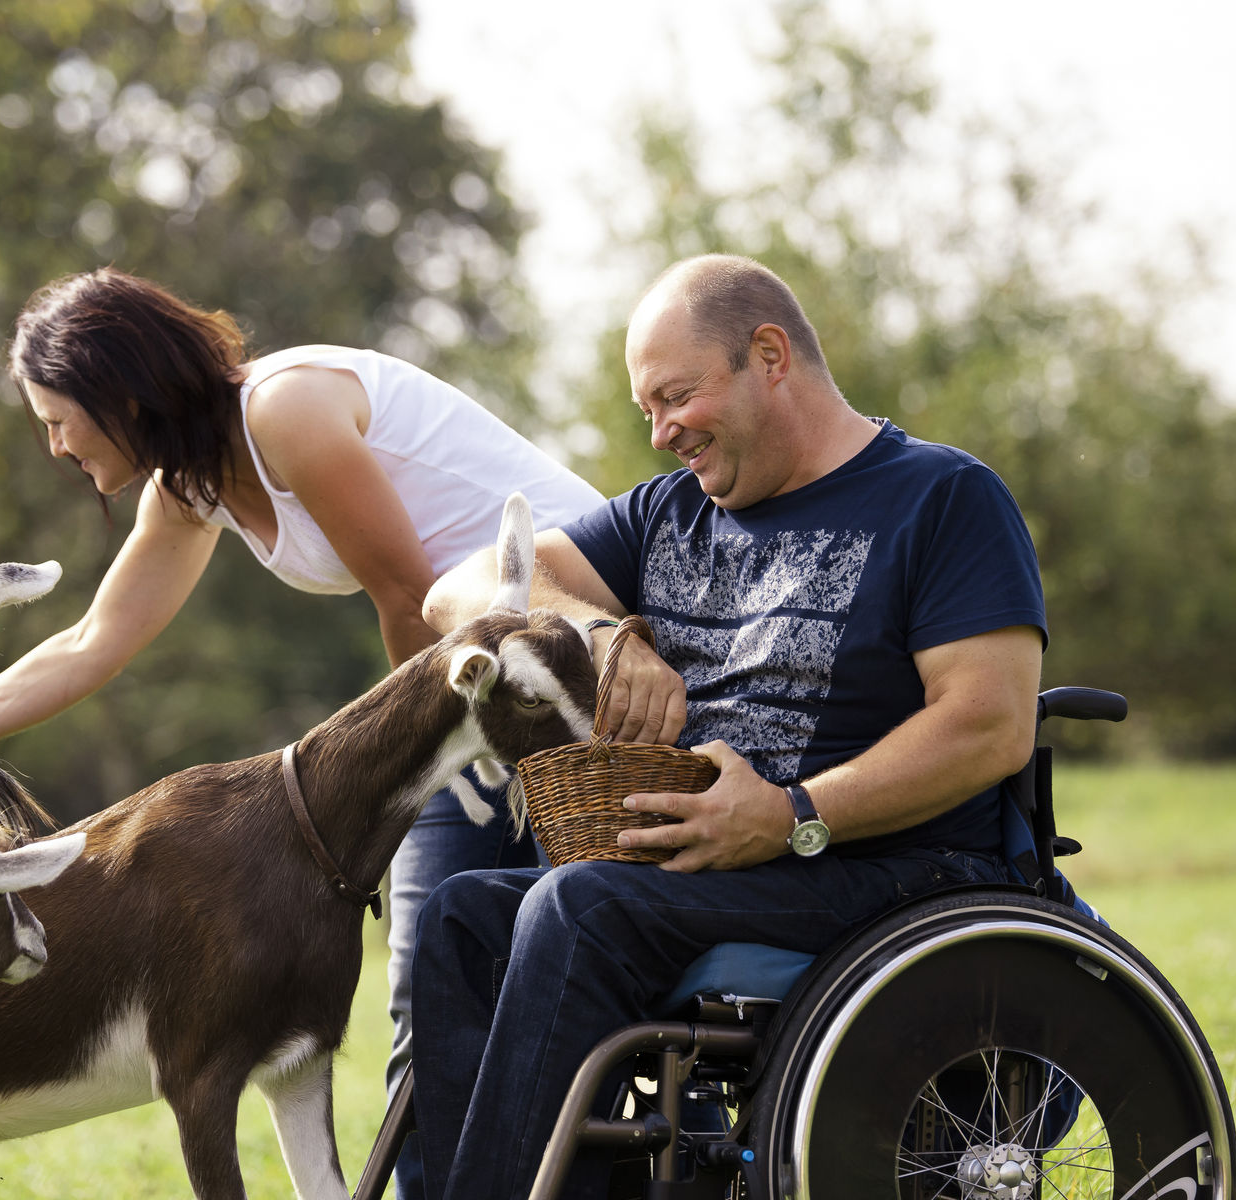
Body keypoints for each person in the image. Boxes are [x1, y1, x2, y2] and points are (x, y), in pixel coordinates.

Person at [409, 254, 1047, 1200]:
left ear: (769, 355)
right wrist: (605, 633)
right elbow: (455, 592)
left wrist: (793, 813)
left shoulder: (941, 498)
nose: (664, 433)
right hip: (707, 872)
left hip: (886, 870)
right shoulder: (668, 515)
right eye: (647, 411)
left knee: (578, 905)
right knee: (463, 916)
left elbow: (990, 727)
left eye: (677, 397)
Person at [0, 268, 602, 1196]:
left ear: (122, 393)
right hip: (470, 693)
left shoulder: (287, 410)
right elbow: (88, 643)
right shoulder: (193, 489)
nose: (56, 445)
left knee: (573, 972)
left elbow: (408, 595)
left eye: (58, 419)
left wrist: (436, 764)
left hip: (569, 652)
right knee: (430, 998)